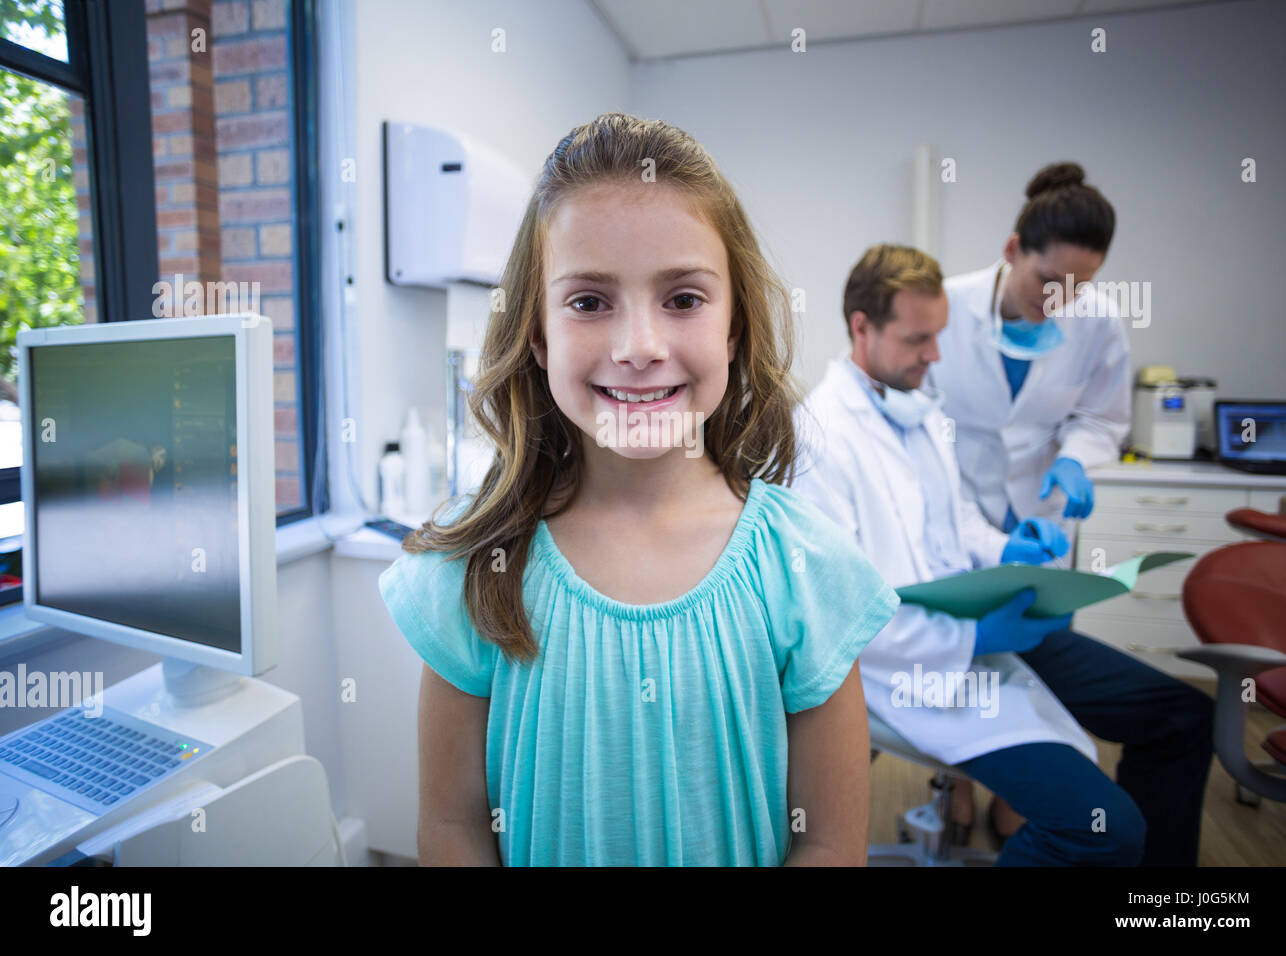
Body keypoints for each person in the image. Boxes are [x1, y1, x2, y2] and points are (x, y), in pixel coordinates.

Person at [378, 113, 899, 866]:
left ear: (733, 329)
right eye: (589, 302)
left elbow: (826, 842)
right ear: (539, 336)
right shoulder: (479, 563)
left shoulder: (806, 571)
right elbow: (455, 828)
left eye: (683, 299)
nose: (638, 349)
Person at [792, 244, 1213, 866]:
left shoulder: (919, 411)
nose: (934, 356)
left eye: (939, 336)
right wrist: (971, 633)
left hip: (978, 635)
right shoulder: (819, 437)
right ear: (862, 327)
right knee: (1101, 829)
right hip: (909, 669)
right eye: (918, 339)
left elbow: (953, 520)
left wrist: (1006, 547)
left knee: (1183, 717)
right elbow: (842, 617)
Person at [928, 162, 1132, 841]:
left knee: (1038, 663)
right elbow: (913, 413)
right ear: (1014, 250)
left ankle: (1020, 798)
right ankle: (956, 786)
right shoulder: (945, 305)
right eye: (1049, 281)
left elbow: (1104, 417)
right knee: (958, 658)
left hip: (1042, 519)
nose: (1061, 301)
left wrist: (1075, 459)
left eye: (1079, 287)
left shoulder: (1097, 321)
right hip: (958, 504)